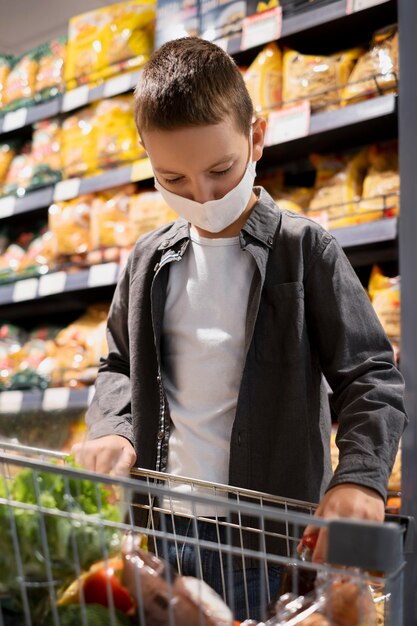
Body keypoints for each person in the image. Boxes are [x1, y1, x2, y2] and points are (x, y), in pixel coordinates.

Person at [73, 37, 407, 620]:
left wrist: (359, 476)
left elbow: (371, 377)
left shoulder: (304, 251)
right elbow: (119, 366)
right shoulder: (147, 261)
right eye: (172, 179)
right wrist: (115, 428)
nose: (201, 196)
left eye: (220, 170)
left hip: (271, 545)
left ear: (255, 137)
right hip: (165, 533)